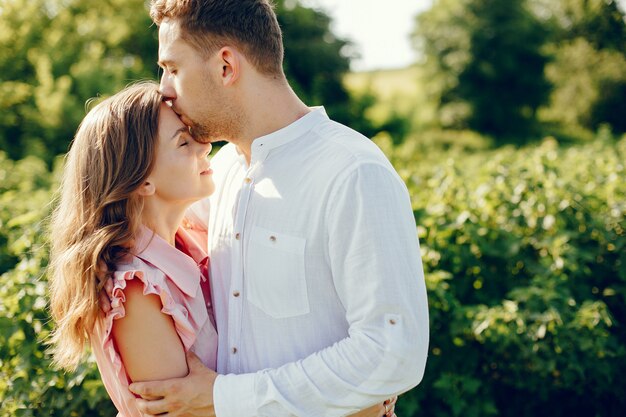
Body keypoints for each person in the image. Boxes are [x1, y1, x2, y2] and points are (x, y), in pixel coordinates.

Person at [121, 0, 430, 416]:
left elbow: (393, 351)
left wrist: (223, 398)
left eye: (173, 68)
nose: (165, 88)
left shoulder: (353, 172)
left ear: (226, 65)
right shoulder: (217, 174)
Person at [48, 82, 394, 417]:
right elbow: (184, 412)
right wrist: (350, 407)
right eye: (183, 143)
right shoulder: (137, 291)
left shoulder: (190, 244)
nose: (205, 147)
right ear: (142, 180)